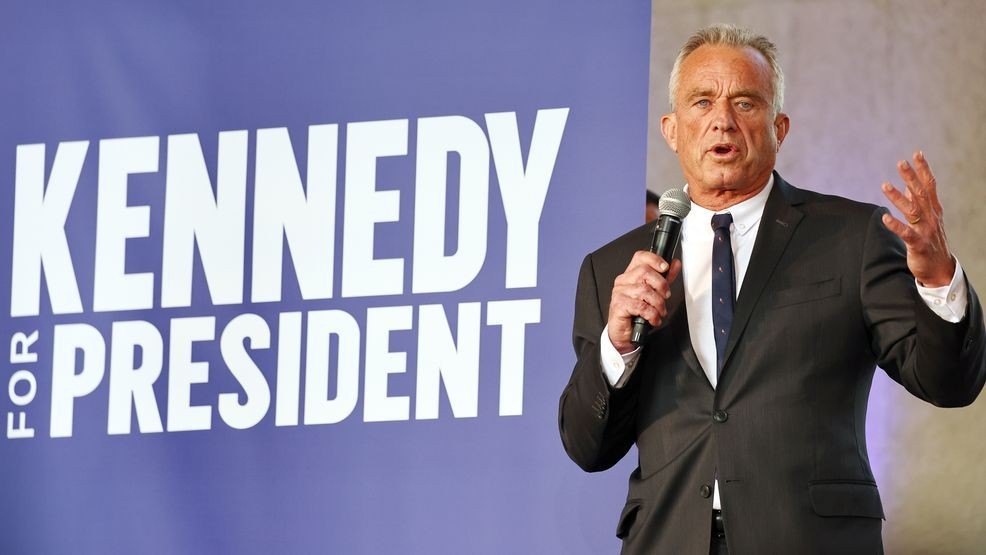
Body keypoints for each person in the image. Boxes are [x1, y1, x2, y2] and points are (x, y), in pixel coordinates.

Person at [558, 24, 985, 555]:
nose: (723, 119)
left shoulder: (851, 237)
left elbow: (949, 383)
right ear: (671, 129)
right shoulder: (612, 269)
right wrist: (617, 346)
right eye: (702, 101)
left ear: (779, 126)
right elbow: (587, 446)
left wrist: (939, 281)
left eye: (745, 102)